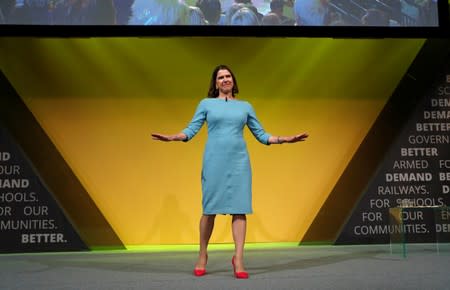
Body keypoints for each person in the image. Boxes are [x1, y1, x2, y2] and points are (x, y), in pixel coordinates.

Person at [151, 65, 308, 279]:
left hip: (239, 163)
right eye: (220, 77)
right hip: (214, 161)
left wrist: (284, 139)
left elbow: (261, 135)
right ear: (215, 83)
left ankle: (239, 259)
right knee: (209, 210)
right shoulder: (206, 104)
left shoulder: (245, 107)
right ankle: (202, 255)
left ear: (233, 81)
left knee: (240, 209)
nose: (225, 79)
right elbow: (191, 129)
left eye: (228, 76)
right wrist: (173, 137)